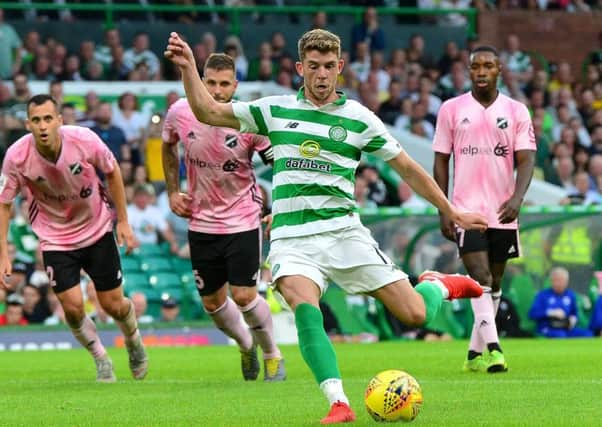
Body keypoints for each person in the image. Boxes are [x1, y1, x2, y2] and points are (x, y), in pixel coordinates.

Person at [165, 29, 487, 424]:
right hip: (293, 240)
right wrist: (188, 69)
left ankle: (435, 283)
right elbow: (208, 112)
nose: (321, 75)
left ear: (340, 68)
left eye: (329, 67)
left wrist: (451, 210)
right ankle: (338, 402)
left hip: (344, 233)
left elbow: (406, 168)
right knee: (305, 307)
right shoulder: (274, 110)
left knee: (415, 315)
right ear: (301, 68)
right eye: (313, 66)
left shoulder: (359, 119)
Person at [0, 95, 148, 382]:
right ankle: (101, 358)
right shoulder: (17, 157)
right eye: (36, 120)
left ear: (59, 120)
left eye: (48, 118)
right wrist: (3, 254)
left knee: (113, 305)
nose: (43, 126)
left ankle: (133, 341)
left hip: (97, 228)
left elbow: (113, 171)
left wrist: (124, 222)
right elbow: (4, 204)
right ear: (27, 124)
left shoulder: (84, 139)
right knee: (72, 307)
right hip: (55, 238)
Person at [162, 53, 286, 382]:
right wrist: (173, 191)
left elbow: (279, 164)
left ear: (235, 85)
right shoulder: (180, 112)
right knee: (212, 304)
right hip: (201, 221)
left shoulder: (248, 119)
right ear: (202, 82)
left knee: (244, 295)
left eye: (224, 84)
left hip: (243, 218)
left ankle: (272, 352)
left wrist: (279, 207)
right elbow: (167, 145)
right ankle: (246, 345)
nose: (217, 91)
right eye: (211, 83)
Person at [432, 45, 536, 374]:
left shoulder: (516, 110)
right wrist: (444, 209)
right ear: (468, 69)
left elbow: (527, 159)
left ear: (499, 69)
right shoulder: (451, 109)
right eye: (475, 66)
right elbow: (440, 161)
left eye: (487, 66)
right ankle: (495, 348)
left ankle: (474, 353)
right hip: (465, 211)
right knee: (481, 278)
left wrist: (517, 199)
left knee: (496, 283)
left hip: (503, 211)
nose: (480, 72)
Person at [528, 267, 593, 338]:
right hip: (548, 328)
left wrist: (573, 319)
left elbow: (574, 312)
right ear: (551, 281)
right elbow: (532, 314)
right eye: (557, 280)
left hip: (566, 328)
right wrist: (550, 312)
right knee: (560, 335)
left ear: (567, 281)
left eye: (562, 280)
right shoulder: (543, 295)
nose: (559, 284)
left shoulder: (570, 295)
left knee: (587, 334)